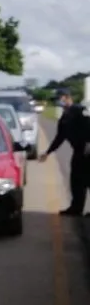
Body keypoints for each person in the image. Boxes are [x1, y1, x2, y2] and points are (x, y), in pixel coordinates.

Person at [38, 88, 90, 216]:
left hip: (88, 151)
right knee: (76, 181)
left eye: (59, 98)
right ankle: (76, 208)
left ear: (66, 97)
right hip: (78, 152)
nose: (57, 101)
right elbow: (60, 137)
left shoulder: (80, 110)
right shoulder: (65, 116)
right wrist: (48, 152)